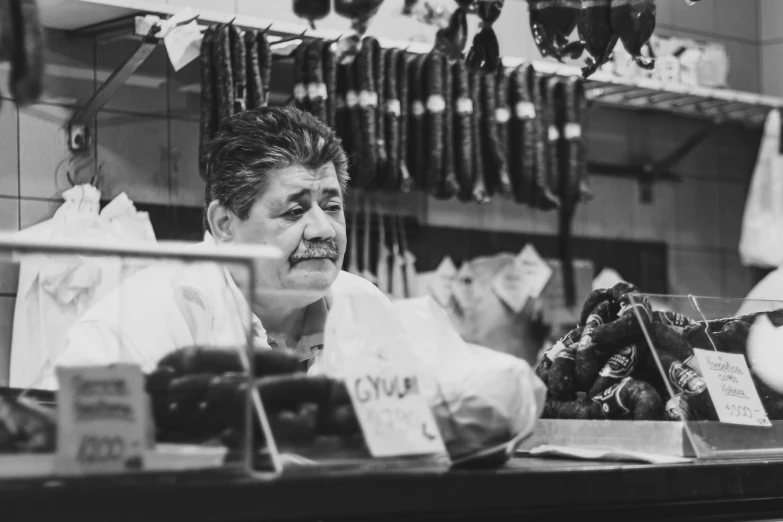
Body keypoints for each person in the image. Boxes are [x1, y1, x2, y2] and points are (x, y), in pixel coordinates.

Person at [37, 106, 385, 389]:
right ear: (224, 224)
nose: (323, 229)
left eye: (332, 206)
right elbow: (83, 462)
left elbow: (414, 449)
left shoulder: (367, 309)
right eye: (295, 211)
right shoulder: (129, 329)